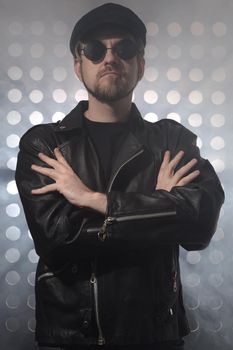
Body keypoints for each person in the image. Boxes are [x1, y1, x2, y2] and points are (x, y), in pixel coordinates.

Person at [15, 3, 224, 350]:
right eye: (95, 50)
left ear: (140, 65)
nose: (110, 58)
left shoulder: (172, 140)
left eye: (124, 48)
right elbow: (57, 241)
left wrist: (96, 201)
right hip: (72, 337)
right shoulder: (45, 144)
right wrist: (160, 206)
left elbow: (200, 225)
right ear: (78, 66)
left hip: (155, 334)